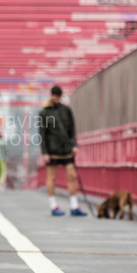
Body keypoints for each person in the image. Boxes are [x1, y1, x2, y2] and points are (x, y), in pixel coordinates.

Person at [38, 85, 87, 217]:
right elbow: (42, 134)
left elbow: (72, 129)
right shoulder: (44, 112)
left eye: (58, 97)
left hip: (66, 149)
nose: (56, 99)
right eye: (54, 96)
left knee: (72, 175)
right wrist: (45, 152)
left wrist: (74, 144)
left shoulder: (66, 110)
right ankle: (53, 206)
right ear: (51, 95)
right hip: (52, 150)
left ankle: (74, 206)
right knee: (52, 177)